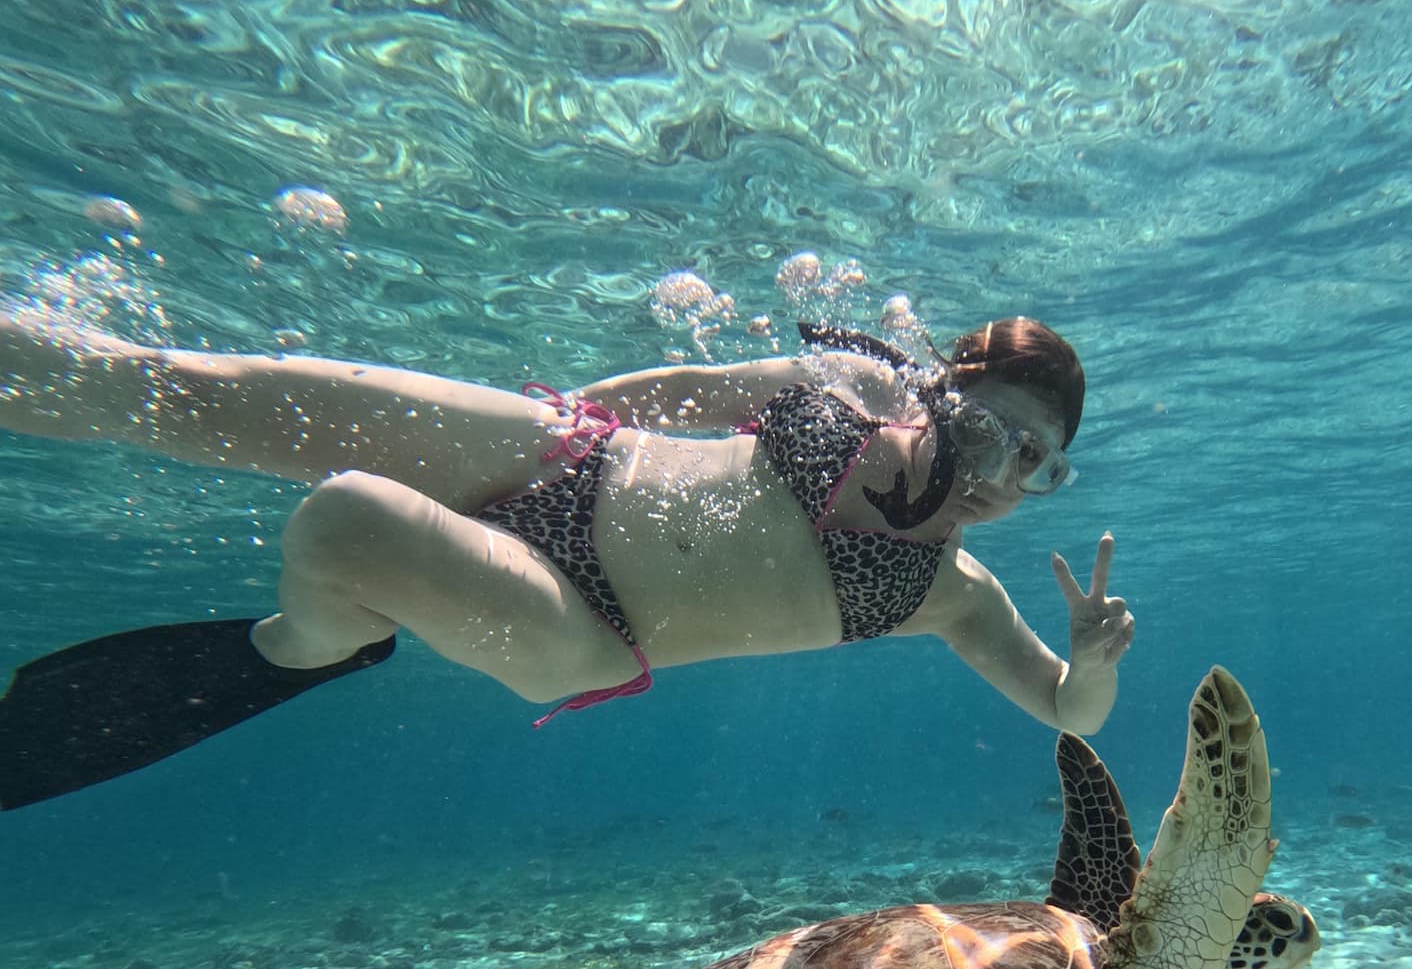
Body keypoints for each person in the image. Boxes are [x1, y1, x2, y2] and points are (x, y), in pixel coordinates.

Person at [0, 308, 1134, 809]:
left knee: (343, 519)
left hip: (584, 627)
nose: (1000, 473)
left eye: (1038, 464)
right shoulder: (852, 389)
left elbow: (1067, 712)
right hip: (576, 458)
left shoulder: (950, 592)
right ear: (937, 393)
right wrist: (550, 424)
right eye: (987, 429)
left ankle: (303, 646)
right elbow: (677, 393)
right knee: (189, 390)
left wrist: (1089, 662)